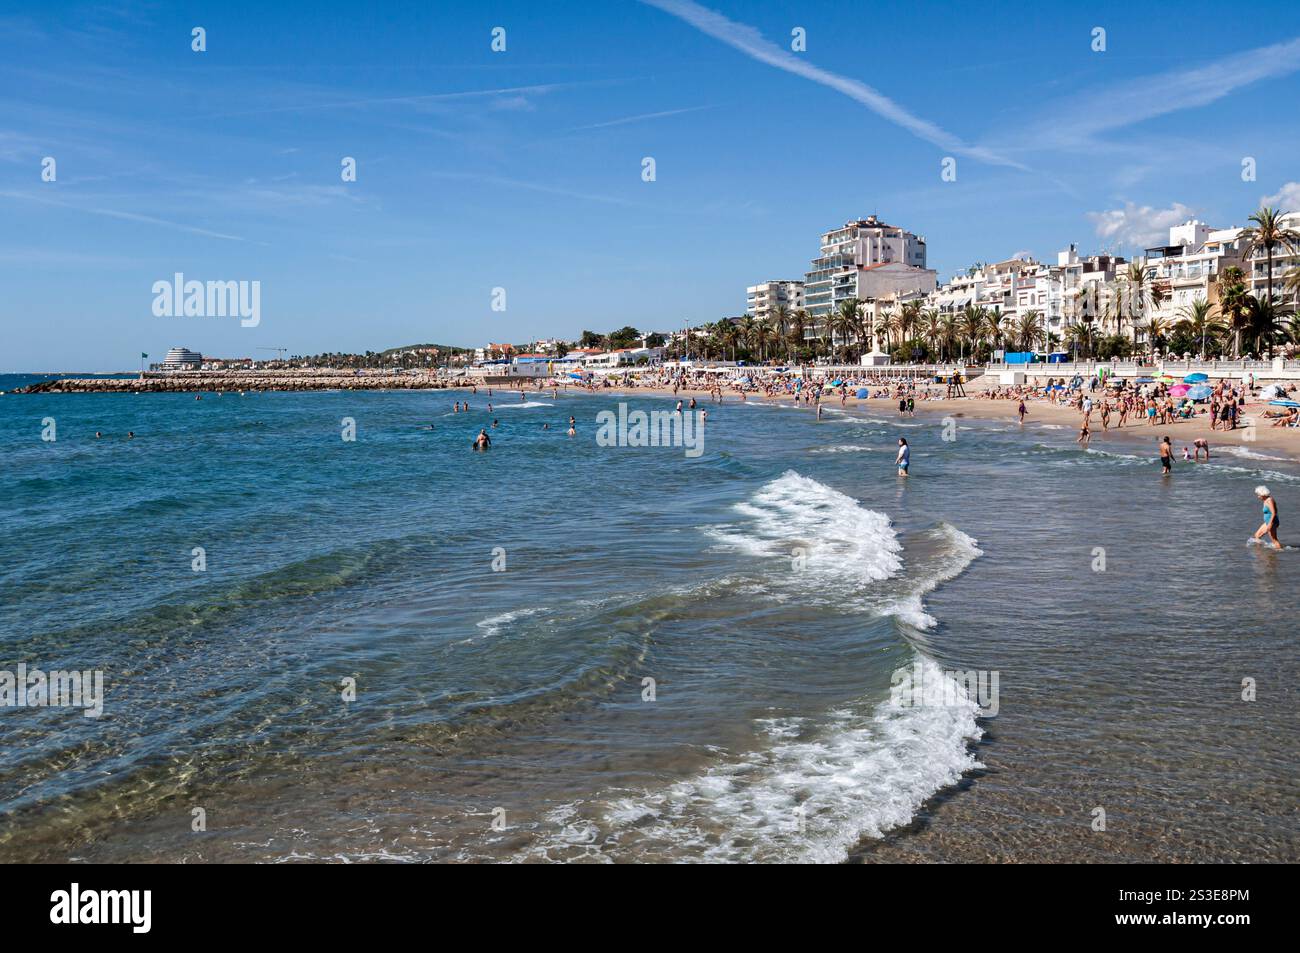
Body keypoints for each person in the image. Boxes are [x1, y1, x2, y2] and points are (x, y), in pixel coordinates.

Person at [1254, 485, 1282, 550]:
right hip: (1268, 522)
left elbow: (1274, 512)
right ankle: (1260, 551)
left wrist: (1270, 524)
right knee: (1257, 535)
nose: (1258, 497)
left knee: (1274, 540)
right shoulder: (1266, 500)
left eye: (1258, 495)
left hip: (1271, 522)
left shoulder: (1269, 500)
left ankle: (1280, 551)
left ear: (1262, 494)